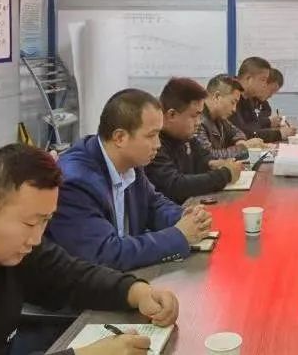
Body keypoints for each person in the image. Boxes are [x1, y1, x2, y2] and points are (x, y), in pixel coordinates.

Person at [0, 143, 179, 355]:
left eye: (45, 221)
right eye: (30, 223)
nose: (36, 239)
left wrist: (136, 291)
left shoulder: (12, 247)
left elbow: (69, 275)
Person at [47, 89, 214, 271]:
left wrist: (186, 218)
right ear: (120, 137)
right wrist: (178, 236)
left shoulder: (129, 162)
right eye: (151, 136)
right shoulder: (75, 181)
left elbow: (153, 205)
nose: (158, 144)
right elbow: (104, 254)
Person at [145, 77, 243, 204]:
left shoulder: (185, 136)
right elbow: (175, 185)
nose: (198, 122)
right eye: (194, 116)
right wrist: (226, 174)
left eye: (200, 115)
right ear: (171, 115)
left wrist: (215, 163)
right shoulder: (154, 144)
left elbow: (204, 157)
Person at [195, 74, 264, 161]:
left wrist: (240, 141)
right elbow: (209, 156)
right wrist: (243, 147)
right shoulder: (197, 120)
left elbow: (237, 132)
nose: (234, 109)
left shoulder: (219, 118)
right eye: (233, 102)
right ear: (217, 97)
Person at [231, 57, 296, 143]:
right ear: (249, 79)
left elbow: (254, 126)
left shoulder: (247, 97)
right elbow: (243, 134)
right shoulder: (230, 96)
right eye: (263, 80)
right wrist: (279, 134)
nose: (265, 85)